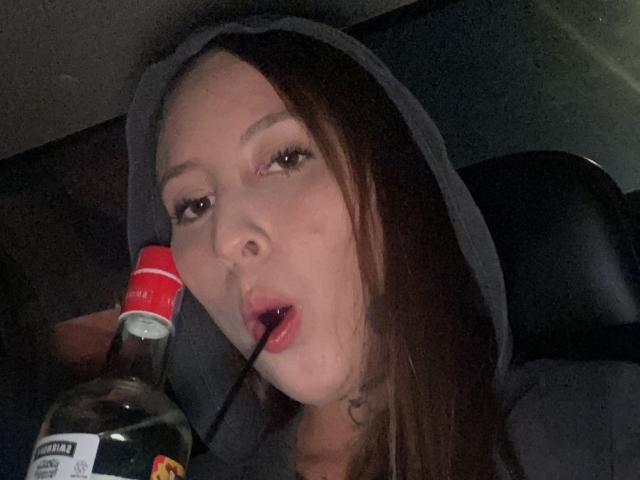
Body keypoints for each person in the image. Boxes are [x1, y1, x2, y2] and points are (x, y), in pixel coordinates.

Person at [126, 16, 512, 480]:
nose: (226, 239)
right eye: (194, 205)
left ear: (389, 182)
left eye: (285, 159)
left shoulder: (578, 430)